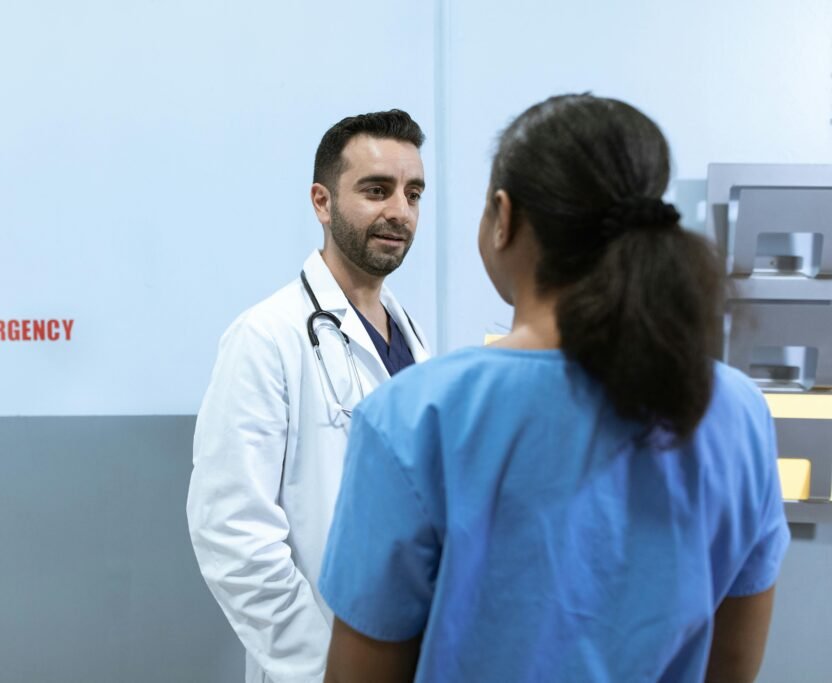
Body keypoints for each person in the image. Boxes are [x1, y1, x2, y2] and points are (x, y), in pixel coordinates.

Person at [319, 94, 789, 683]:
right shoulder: (736, 411)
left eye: (413, 192)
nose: (402, 210)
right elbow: (732, 668)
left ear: (503, 217)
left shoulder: (418, 416)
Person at [187, 109, 431, 683]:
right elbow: (231, 532)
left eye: (413, 193)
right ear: (322, 202)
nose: (399, 211)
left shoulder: (414, 340)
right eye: (377, 190)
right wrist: (327, 668)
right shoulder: (266, 337)